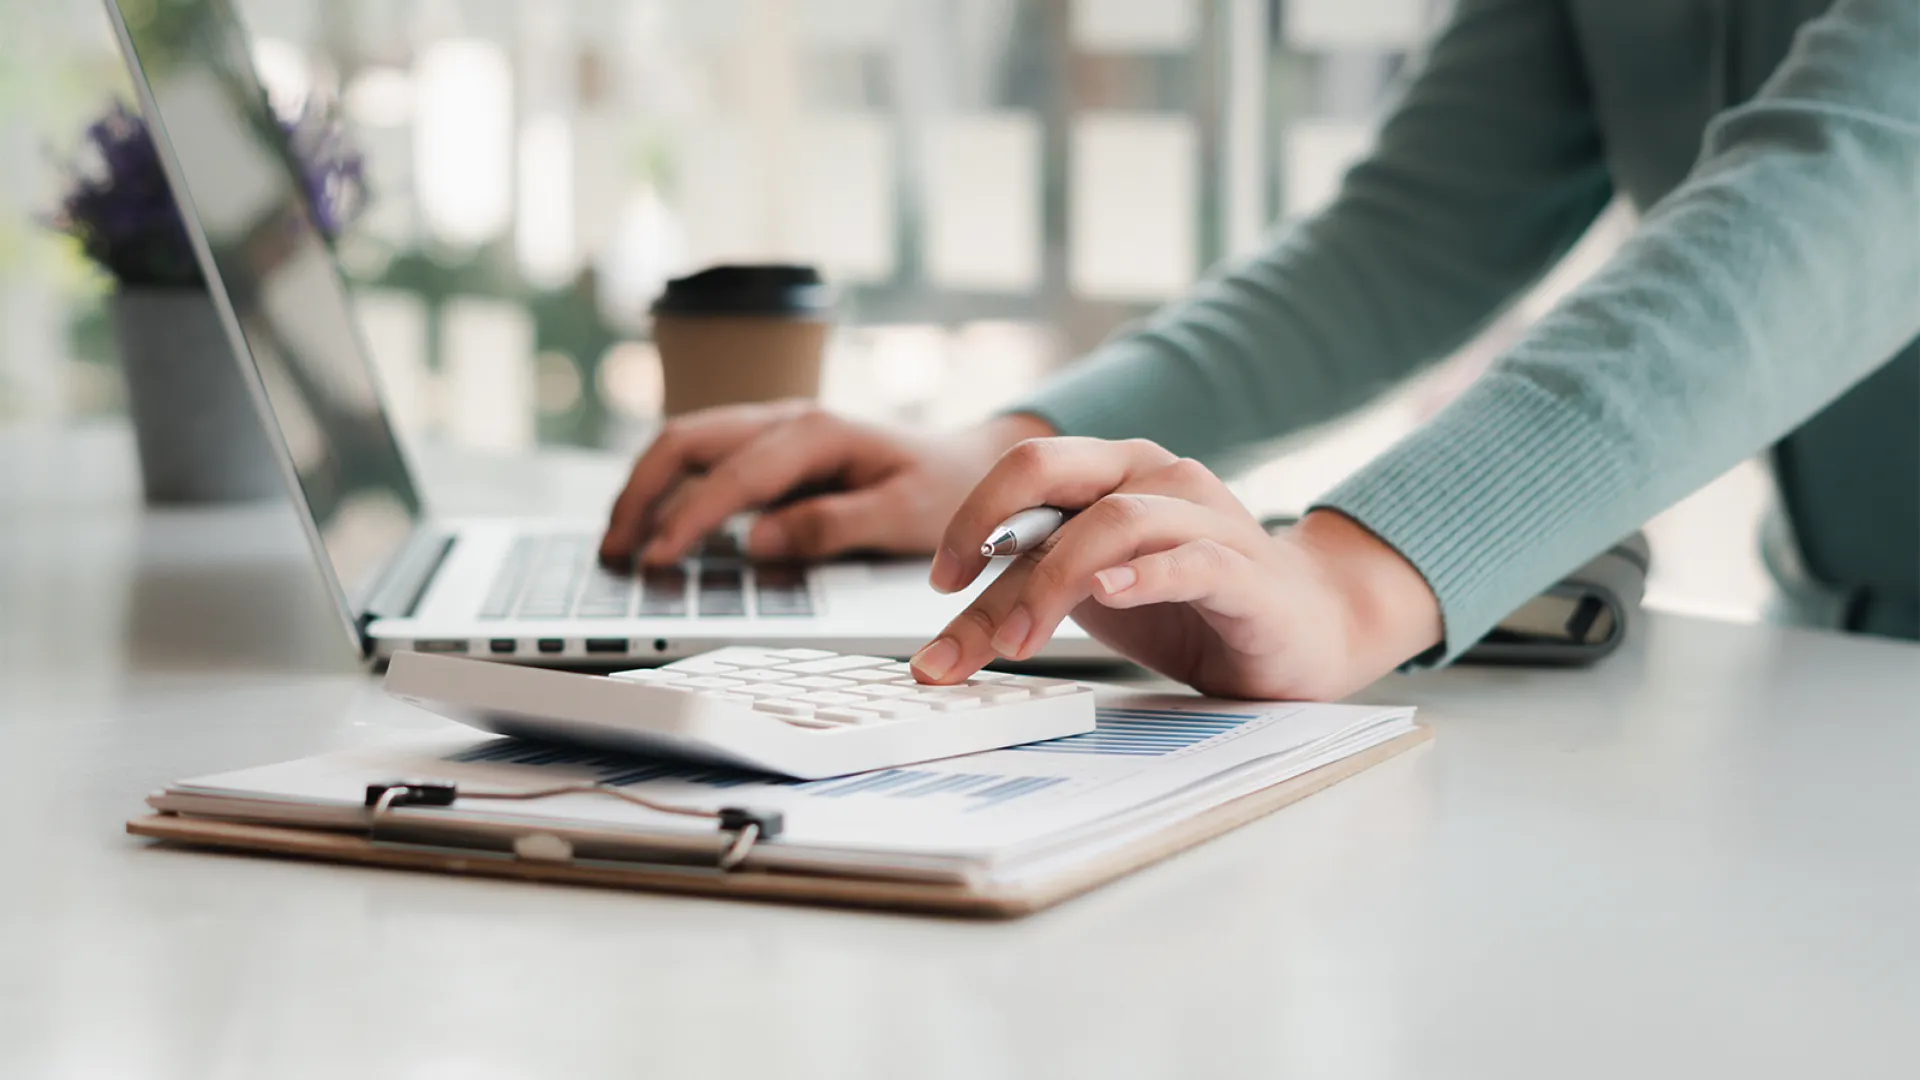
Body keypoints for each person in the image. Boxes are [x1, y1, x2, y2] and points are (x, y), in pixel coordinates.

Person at [600, 0, 1918, 700]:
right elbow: (1418, 229)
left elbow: (1857, 183)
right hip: (1843, 672)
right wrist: (1007, 449)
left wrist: (1354, 586)